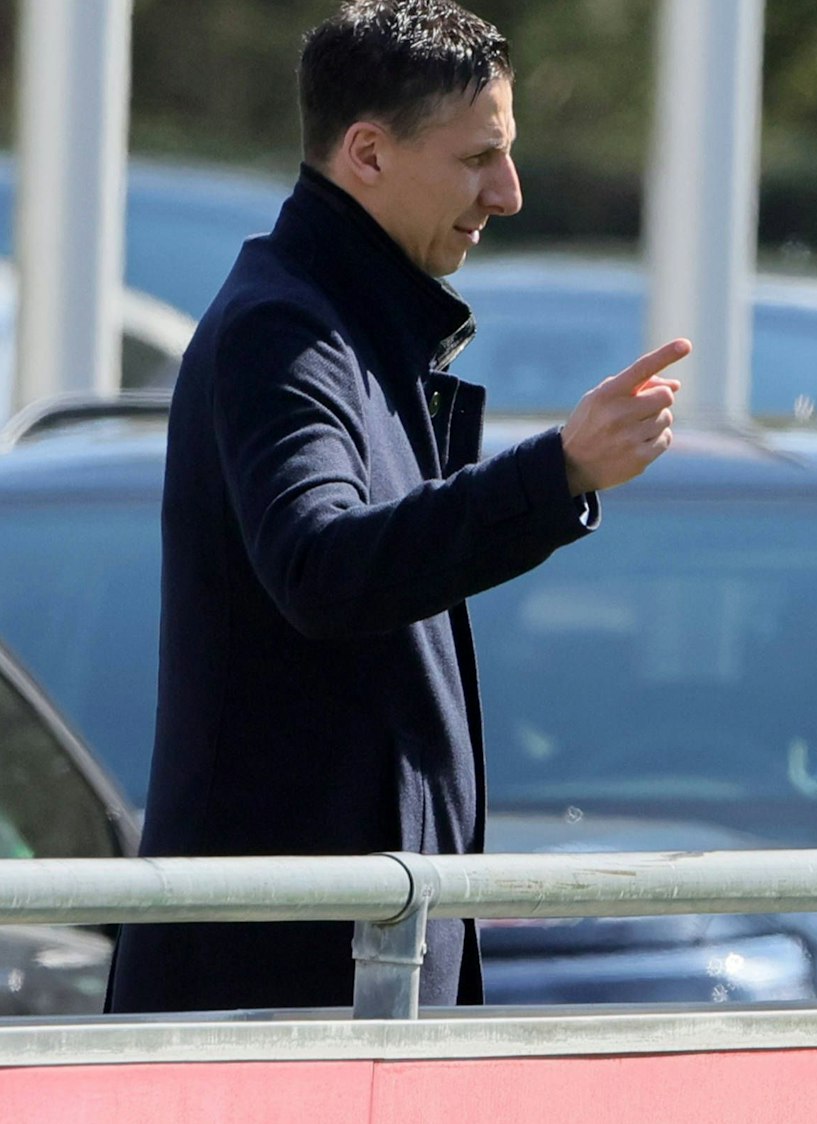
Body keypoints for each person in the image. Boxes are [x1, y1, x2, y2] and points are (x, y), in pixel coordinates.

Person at [107, 0, 687, 1013]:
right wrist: (557, 475)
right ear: (367, 154)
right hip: (287, 999)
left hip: (340, 982)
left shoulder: (340, 324)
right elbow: (325, 569)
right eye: (478, 159)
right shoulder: (284, 331)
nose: (507, 194)